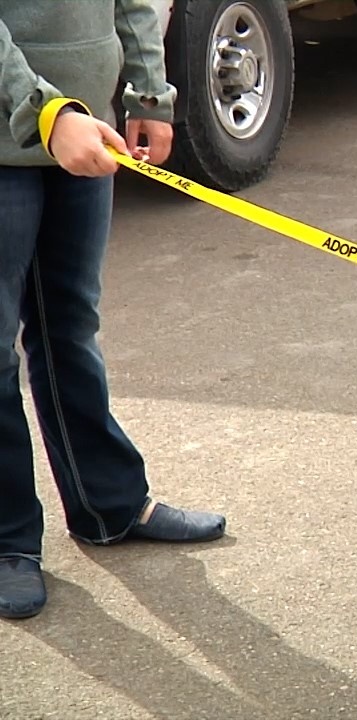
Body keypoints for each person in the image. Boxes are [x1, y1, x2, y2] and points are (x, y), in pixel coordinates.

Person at [0, 1, 227, 621]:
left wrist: (149, 91)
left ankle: (110, 505)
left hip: (83, 132)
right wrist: (46, 111)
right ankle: (8, 541)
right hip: (30, 133)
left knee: (69, 328)